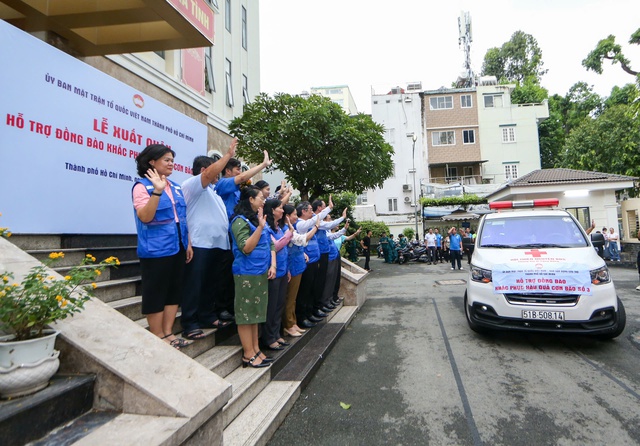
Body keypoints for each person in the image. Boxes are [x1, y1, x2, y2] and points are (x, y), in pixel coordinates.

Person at [132, 144, 193, 350]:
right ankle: (157, 334)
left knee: (174, 291)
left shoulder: (175, 186)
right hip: (156, 250)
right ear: (152, 162)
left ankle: (168, 331)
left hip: (178, 246)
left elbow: (182, 219)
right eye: (166, 160)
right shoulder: (142, 187)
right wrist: (157, 192)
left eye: (172, 160)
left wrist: (189, 244)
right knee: (156, 292)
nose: (171, 164)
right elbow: (146, 217)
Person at [180, 140, 238, 340]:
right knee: (194, 285)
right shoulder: (192, 185)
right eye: (216, 169)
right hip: (199, 244)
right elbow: (206, 176)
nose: (218, 174)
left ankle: (206, 315)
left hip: (217, 246)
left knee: (211, 284)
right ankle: (190, 322)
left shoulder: (214, 193)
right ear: (205, 170)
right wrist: (228, 155)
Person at [229, 186, 275, 368]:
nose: (263, 200)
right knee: (246, 314)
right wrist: (260, 228)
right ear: (250, 200)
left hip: (259, 272)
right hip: (246, 273)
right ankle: (248, 354)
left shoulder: (255, 220)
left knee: (255, 314)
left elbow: (268, 243)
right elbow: (246, 247)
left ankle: (256, 349)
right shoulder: (239, 221)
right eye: (259, 198)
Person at [282, 204, 318, 337]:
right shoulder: (286, 229)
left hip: (297, 265)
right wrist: (316, 227)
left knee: (294, 297)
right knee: (290, 298)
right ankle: (289, 324)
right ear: (287, 216)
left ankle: (293, 322)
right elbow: (301, 240)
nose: (296, 217)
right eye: (294, 215)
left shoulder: (290, 228)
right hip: (292, 266)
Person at [261, 199, 293, 351]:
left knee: (279, 305)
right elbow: (277, 245)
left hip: (282, 270)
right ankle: (269, 338)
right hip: (272, 272)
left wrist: (286, 269)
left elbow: (283, 251)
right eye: (280, 208)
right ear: (272, 210)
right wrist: (289, 235)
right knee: (271, 306)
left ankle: (276, 334)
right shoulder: (267, 227)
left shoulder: (279, 227)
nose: (282, 210)